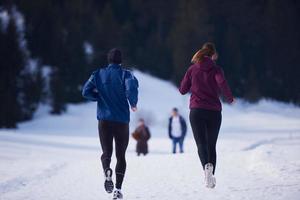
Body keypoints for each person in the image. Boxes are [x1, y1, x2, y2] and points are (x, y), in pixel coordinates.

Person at [82, 48, 138, 200]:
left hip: (104, 120)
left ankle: (107, 169)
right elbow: (131, 88)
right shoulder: (126, 74)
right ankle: (118, 190)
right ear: (121, 61)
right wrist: (133, 103)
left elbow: (85, 92)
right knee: (121, 156)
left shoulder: (97, 74)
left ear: (108, 60)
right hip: (121, 121)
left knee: (107, 152)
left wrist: (98, 97)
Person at [179, 42, 234, 188]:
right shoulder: (216, 69)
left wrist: (191, 81)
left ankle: (206, 169)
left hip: (196, 111)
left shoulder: (192, 69)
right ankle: (211, 173)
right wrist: (230, 98)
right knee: (211, 145)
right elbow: (222, 82)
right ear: (213, 54)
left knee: (201, 144)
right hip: (214, 112)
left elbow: (183, 90)